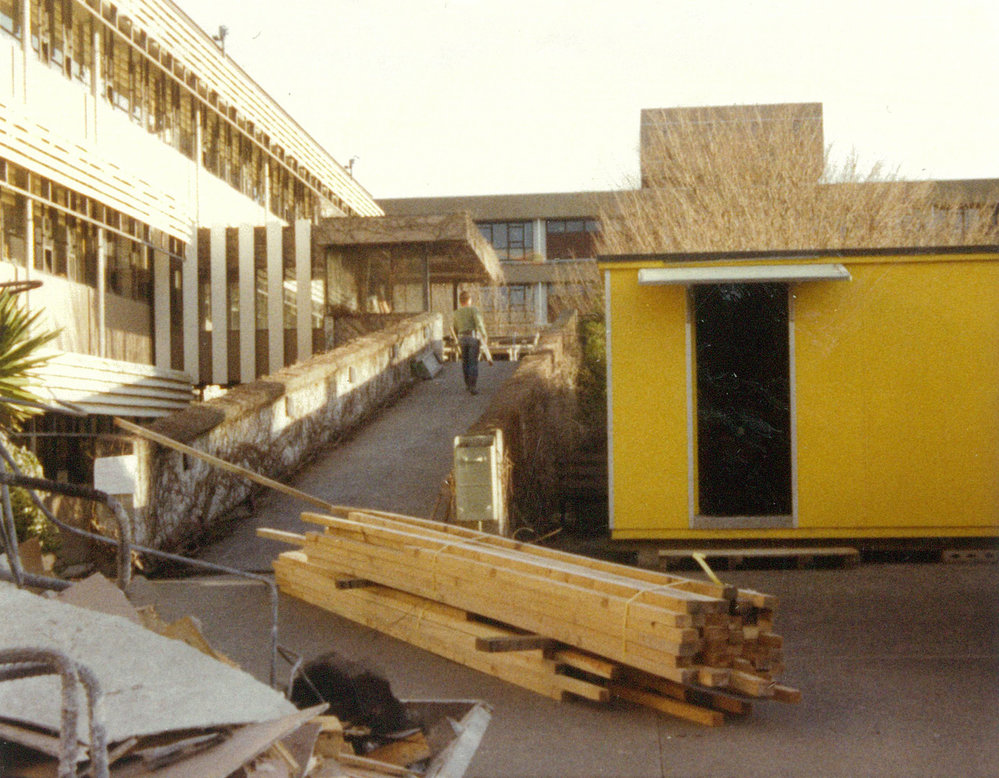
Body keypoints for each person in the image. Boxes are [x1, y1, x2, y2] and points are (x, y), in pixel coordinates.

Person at [452, 290, 488, 394]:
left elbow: (455, 327)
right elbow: (479, 323)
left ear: (460, 301)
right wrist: (484, 335)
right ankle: (473, 386)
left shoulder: (456, 313)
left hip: (462, 338)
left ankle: (467, 384)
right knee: (473, 362)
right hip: (472, 337)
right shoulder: (473, 310)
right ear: (469, 300)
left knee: (465, 362)